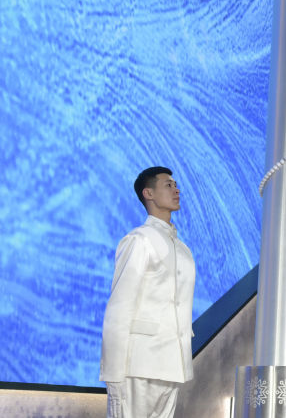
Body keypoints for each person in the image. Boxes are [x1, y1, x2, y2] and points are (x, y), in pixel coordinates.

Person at [100, 166, 195, 418]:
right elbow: (119, 308)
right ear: (148, 193)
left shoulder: (183, 250)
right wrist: (113, 373)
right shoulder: (139, 240)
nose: (176, 189)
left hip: (173, 366)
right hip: (139, 364)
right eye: (168, 185)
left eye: (176, 185)